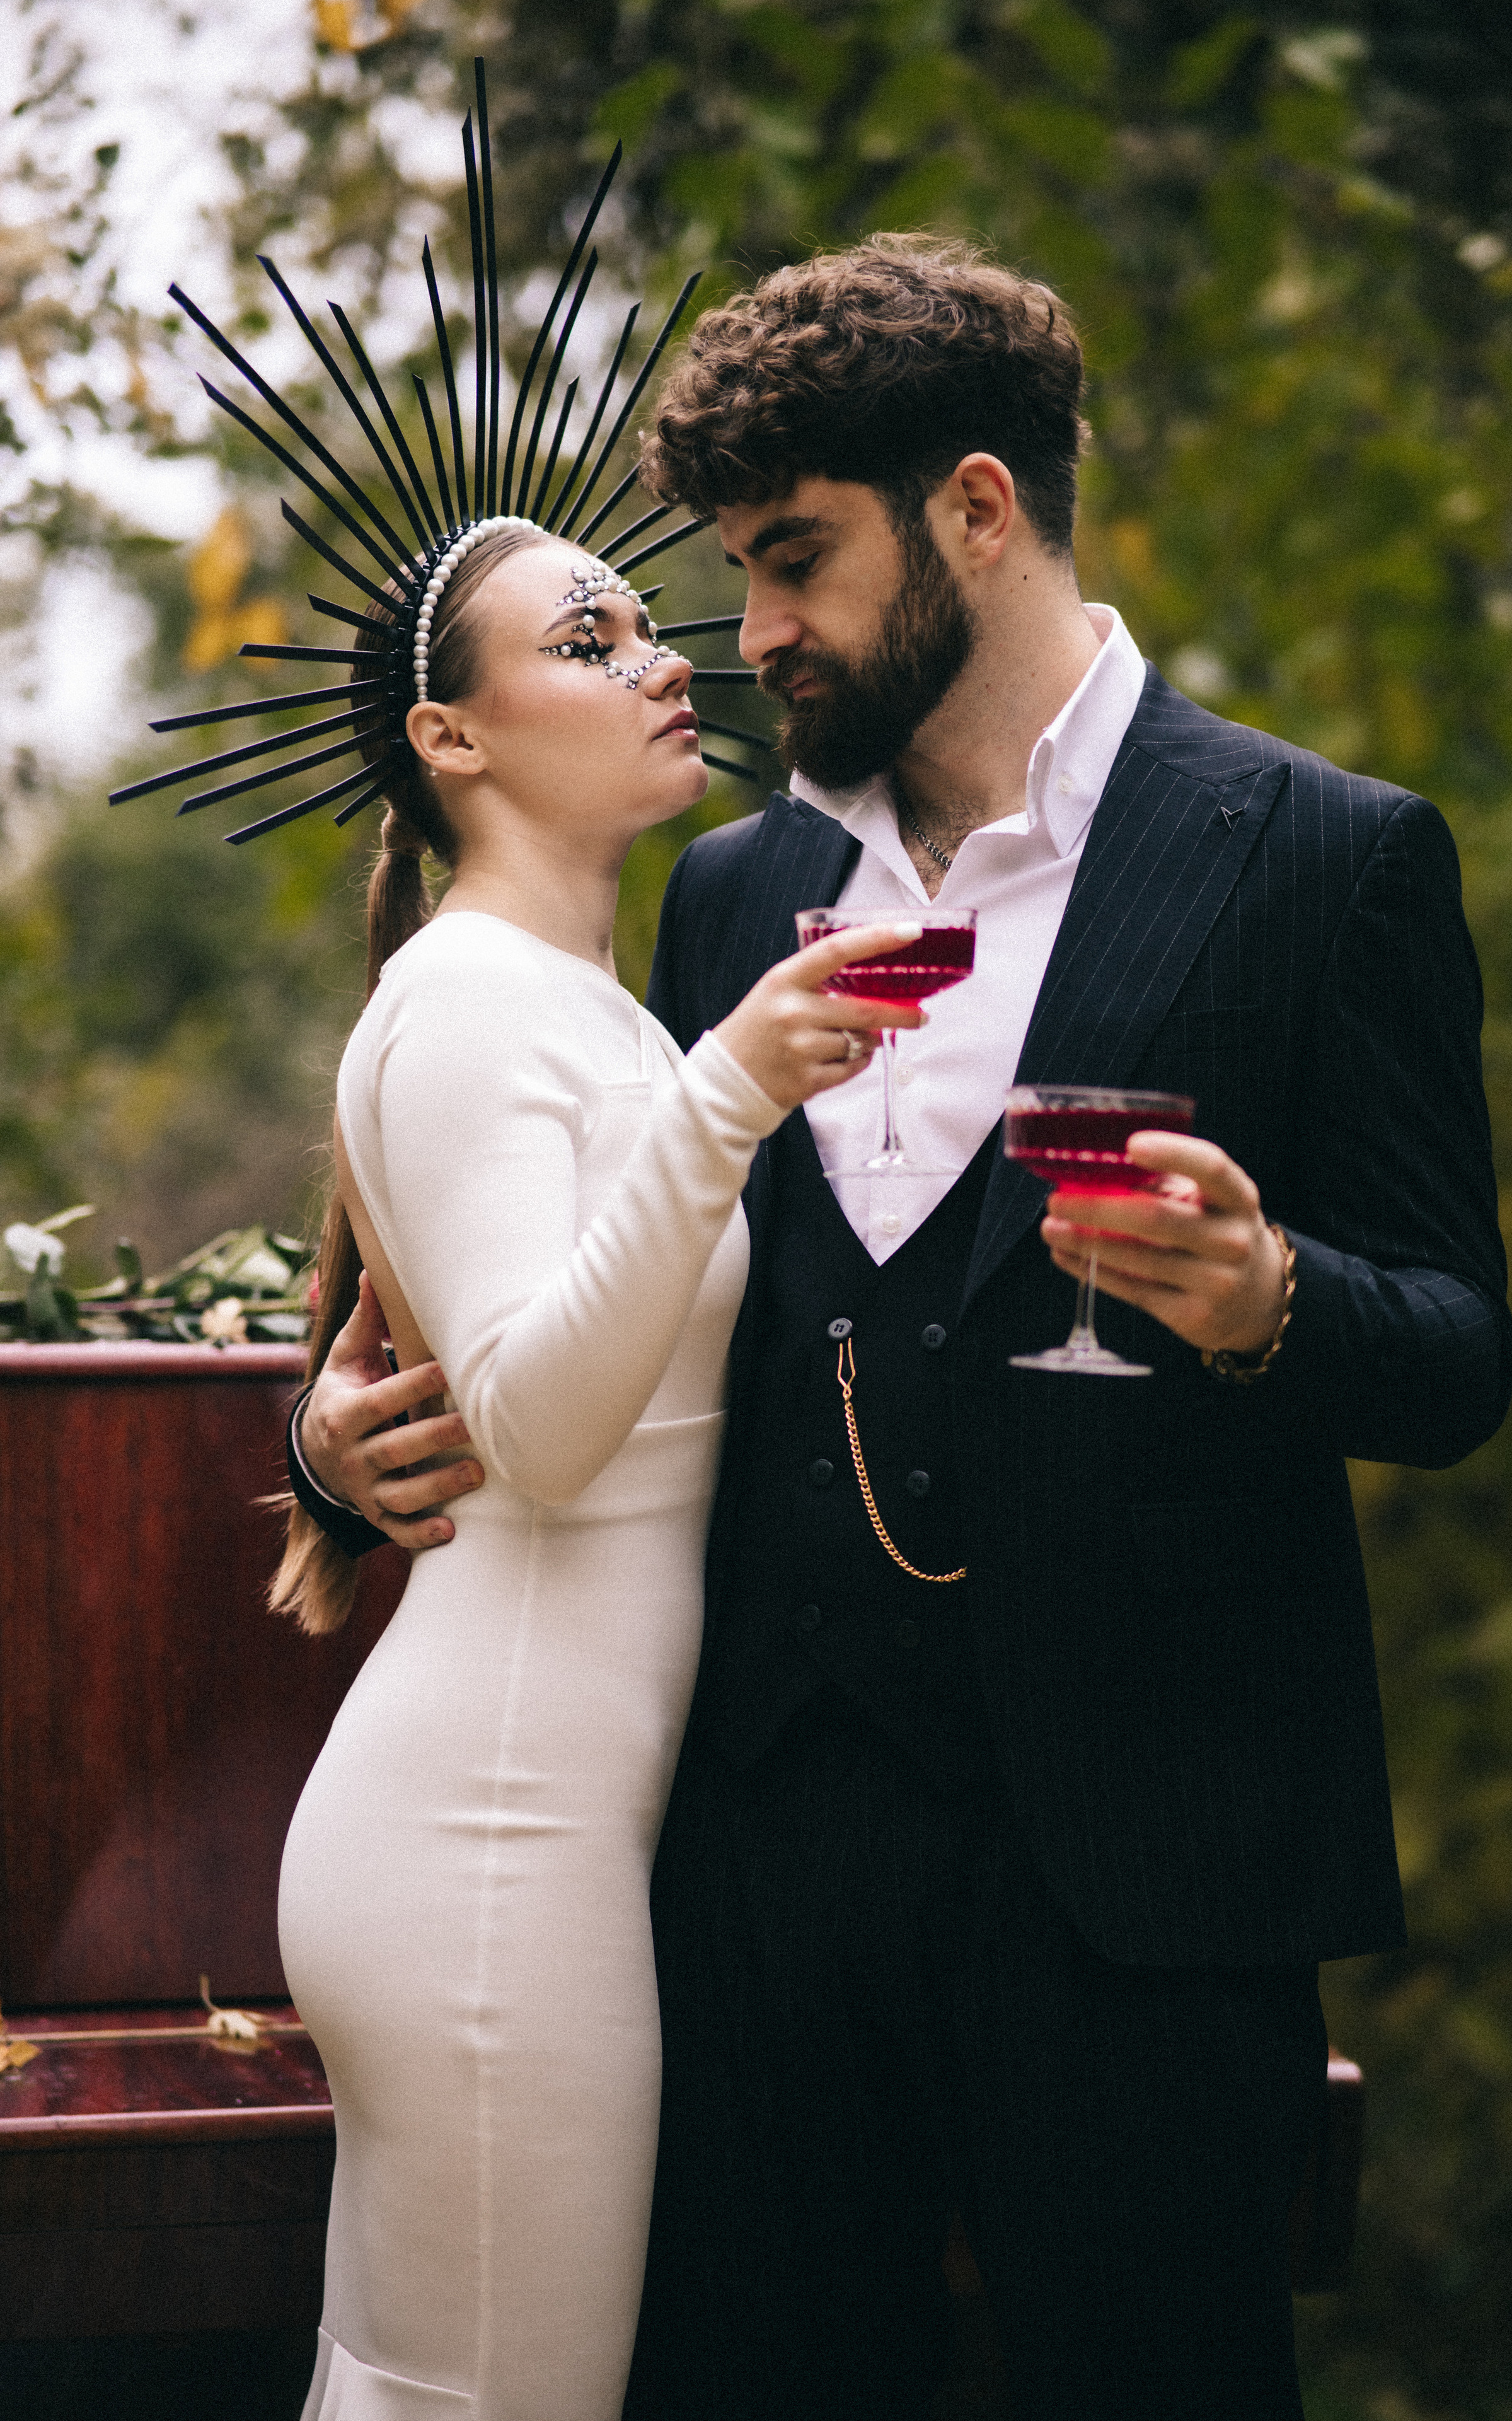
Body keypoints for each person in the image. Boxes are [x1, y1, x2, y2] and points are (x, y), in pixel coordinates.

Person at [291, 238, 1512, 2419]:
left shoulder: (1321, 857)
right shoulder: (737, 894)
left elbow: (1455, 1353)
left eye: (792, 564)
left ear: (974, 508)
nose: (749, 638)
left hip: (1147, 1890)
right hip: (755, 1877)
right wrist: (320, 1448)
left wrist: (1273, 1299)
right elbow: (570, 1293)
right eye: (732, 577)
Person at [270, 516, 920, 2420]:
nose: (664, 663)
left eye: (649, 625)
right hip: (487, 1843)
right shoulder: (470, 1006)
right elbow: (542, 1437)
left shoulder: (579, 1006)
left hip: (541, 1832)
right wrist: (741, 1084)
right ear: (451, 739)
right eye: (589, 639)